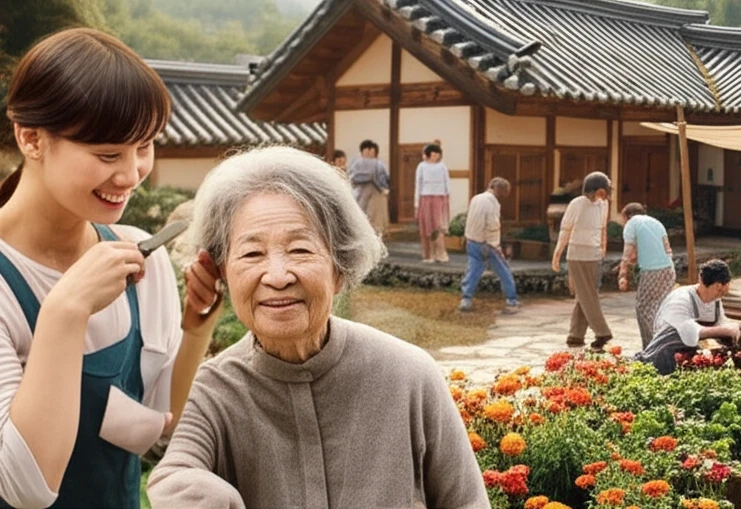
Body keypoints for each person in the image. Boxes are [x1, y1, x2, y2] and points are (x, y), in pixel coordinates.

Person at [146, 147, 487, 508]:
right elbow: (173, 473)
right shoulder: (214, 391)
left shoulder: (409, 375)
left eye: (300, 250)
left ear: (340, 269)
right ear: (221, 275)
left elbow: (467, 502)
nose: (277, 276)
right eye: (251, 254)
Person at [0, 28, 219, 508]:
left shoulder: (141, 254)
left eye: (144, 147)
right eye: (107, 155)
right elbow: (24, 488)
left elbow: (163, 431)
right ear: (31, 138)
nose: (131, 174)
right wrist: (66, 309)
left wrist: (195, 330)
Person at [636, 259, 741, 375]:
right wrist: (725, 330)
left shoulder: (716, 301)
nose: (720, 293)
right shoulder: (680, 299)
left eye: (723, 290)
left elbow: (720, 324)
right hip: (663, 356)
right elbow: (689, 332)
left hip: (690, 359)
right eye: (719, 289)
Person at [552, 172, 612, 351]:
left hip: (594, 255)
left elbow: (602, 229)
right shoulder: (577, 204)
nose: (606, 194)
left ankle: (576, 336)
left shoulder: (604, 204)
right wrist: (557, 254)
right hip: (576, 254)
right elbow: (565, 229)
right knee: (586, 295)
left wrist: (603, 248)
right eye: (604, 190)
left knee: (586, 295)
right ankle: (600, 332)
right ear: (597, 190)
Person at [617, 202, 674, 348]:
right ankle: (664, 343)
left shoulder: (632, 224)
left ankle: (651, 346)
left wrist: (622, 274)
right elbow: (664, 247)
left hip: (653, 271)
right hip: (668, 269)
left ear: (627, 215)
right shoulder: (655, 222)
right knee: (659, 308)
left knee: (643, 309)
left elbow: (627, 253)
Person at [460, 177, 519, 314]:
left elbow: (470, 219)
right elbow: (493, 225)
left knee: (473, 271)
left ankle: (466, 298)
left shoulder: (476, 198)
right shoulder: (492, 204)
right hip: (487, 243)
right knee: (504, 271)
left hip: (472, 240)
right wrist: (496, 246)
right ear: (500, 191)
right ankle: (511, 299)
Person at [414, 143, 451, 263]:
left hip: (439, 197)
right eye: (433, 154)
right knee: (426, 227)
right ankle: (428, 255)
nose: (435, 156)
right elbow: (418, 185)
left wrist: (447, 198)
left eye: (437, 154)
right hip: (425, 197)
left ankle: (441, 254)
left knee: (438, 227)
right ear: (428, 155)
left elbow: (447, 183)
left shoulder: (442, 167)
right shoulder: (421, 166)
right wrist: (416, 204)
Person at [347, 140, 390, 235]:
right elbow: (351, 178)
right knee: (366, 222)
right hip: (362, 194)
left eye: (371, 152)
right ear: (362, 152)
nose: (369, 154)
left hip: (374, 195)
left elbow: (384, 179)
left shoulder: (378, 163)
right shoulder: (357, 163)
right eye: (366, 151)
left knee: (373, 222)